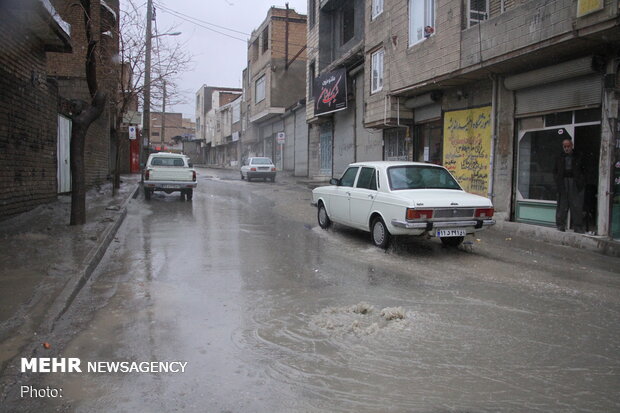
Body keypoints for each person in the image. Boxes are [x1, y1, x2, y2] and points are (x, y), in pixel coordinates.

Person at [553, 138, 585, 233]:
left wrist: (581, 180)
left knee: (576, 205)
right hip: (562, 182)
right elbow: (555, 171)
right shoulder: (559, 157)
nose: (566, 148)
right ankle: (560, 225)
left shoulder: (578, 156)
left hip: (574, 182)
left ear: (572, 146)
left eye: (568, 146)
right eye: (565, 146)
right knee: (562, 205)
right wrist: (557, 181)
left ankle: (577, 226)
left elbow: (583, 170)